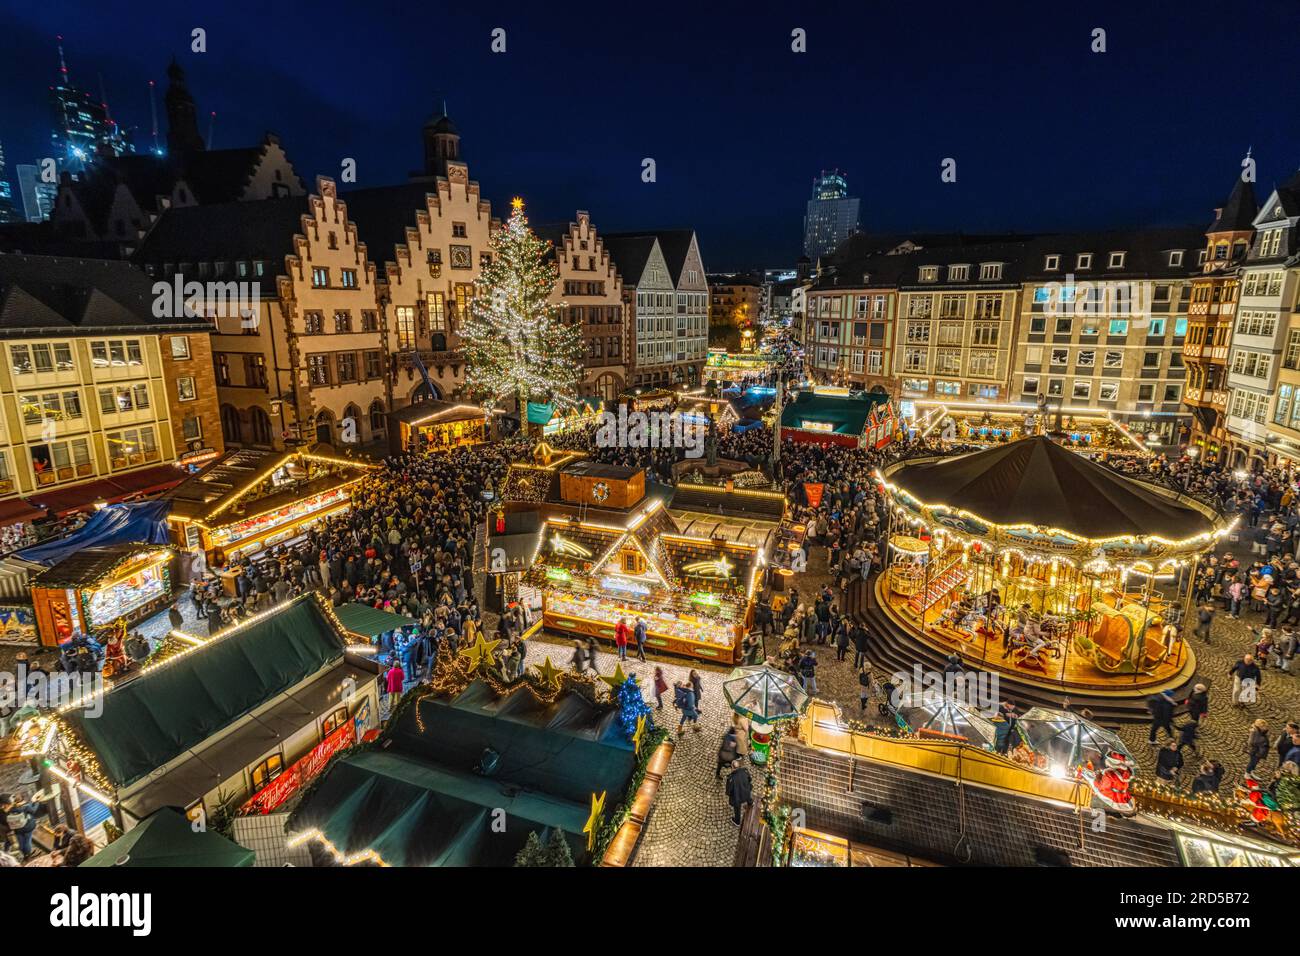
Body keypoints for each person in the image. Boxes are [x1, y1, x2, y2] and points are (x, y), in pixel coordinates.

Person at [1, 793, 40, 860]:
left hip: (17, 830)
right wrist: (36, 802)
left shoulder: (9, 810)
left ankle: (23, 854)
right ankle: (27, 855)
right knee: (27, 841)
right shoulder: (25, 807)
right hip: (27, 828)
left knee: (21, 842)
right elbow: (33, 811)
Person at [725, 759, 753, 827]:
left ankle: (737, 821)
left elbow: (728, 791)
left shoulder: (731, 778)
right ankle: (750, 803)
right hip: (746, 792)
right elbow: (750, 779)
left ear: (732, 767)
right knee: (748, 797)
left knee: (737, 809)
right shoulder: (745, 771)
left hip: (737, 797)